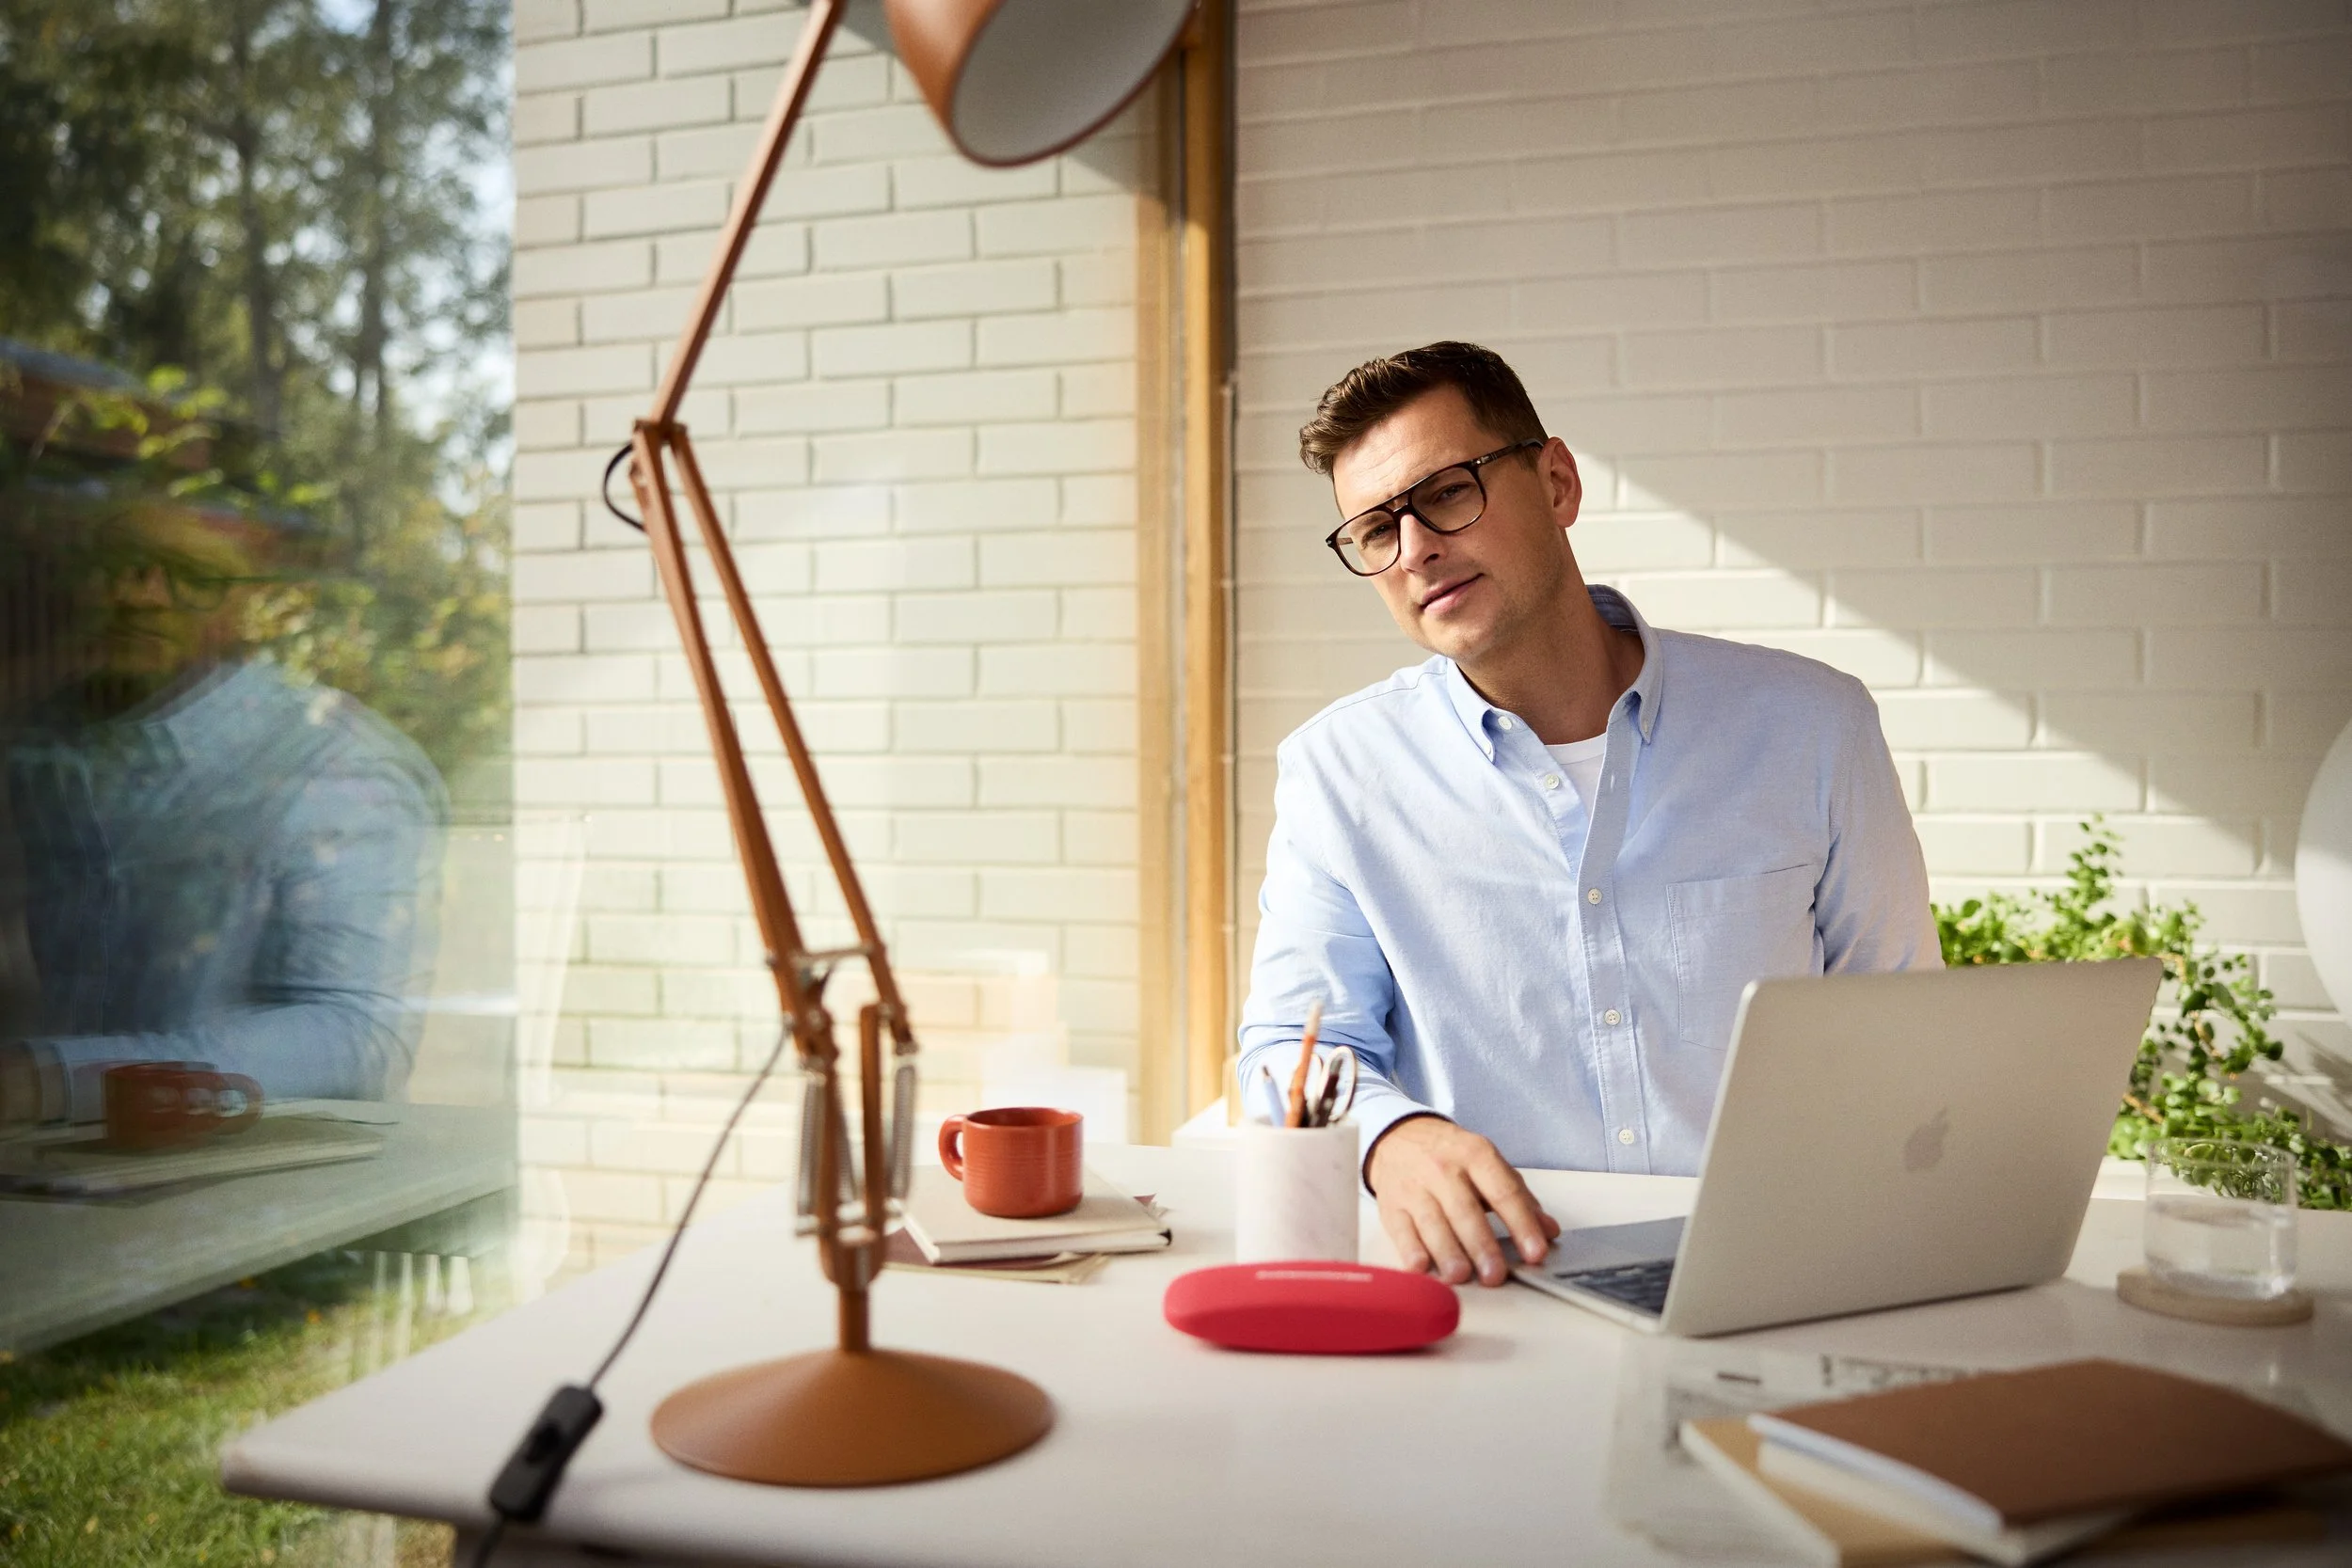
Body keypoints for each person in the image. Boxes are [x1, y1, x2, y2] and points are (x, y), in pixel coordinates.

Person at [1235, 341, 1938, 1291]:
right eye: (1374, 530)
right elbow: (1290, 1047)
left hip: (1772, 1273)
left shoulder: (1813, 727)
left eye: (1445, 493)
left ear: (1556, 480)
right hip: (1495, 1288)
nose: (1415, 551)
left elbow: (1901, 1028)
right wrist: (1391, 1138)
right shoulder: (1339, 772)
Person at [0, 487, 445, 1126]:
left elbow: (354, 1036)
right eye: (118, 564)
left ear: (247, 604)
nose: (140, 594)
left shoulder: (331, 762)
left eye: (191, 577)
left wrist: (47, 1079)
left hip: (260, 1186)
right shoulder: (40, 741)